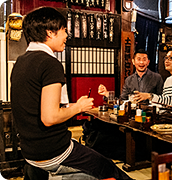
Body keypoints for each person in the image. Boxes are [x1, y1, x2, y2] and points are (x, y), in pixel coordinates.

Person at [10, 7, 131, 179]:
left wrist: (74, 106)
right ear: (50, 32)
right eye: (64, 31)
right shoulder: (49, 63)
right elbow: (50, 117)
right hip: (54, 150)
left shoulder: (21, 62)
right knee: (109, 168)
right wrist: (78, 107)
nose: (67, 36)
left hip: (30, 152)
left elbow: (36, 107)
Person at [99, 49, 163, 101]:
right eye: (138, 59)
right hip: (133, 113)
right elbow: (122, 99)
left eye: (144, 59)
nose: (141, 62)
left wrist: (149, 96)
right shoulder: (128, 80)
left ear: (148, 62)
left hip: (151, 113)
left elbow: (161, 98)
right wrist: (107, 94)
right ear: (133, 61)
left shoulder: (157, 77)